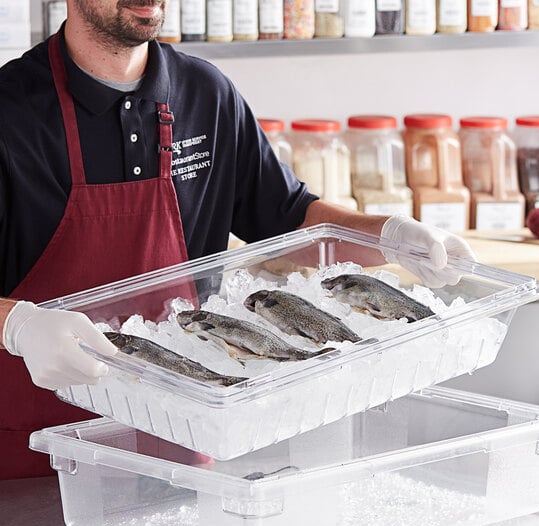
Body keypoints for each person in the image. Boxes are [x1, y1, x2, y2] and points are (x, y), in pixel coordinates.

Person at [0, 0, 475, 479]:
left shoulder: (206, 95)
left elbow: (290, 221)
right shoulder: (9, 109)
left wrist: (389, 237)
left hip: (180, 442)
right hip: (37, 452)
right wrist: (18, 326)